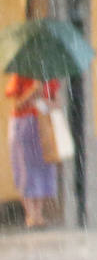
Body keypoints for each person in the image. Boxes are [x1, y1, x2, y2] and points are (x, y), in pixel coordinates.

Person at [5, 73, 61, 228]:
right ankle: (30, 214)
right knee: (24, 169)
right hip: (22, 125)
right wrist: (33, 91)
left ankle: (38, 214)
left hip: (42, 125)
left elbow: (57, 104)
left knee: (43, 168)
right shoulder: (20, 76)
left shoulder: (49, 77)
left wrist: (42, 102)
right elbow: (17, 105)